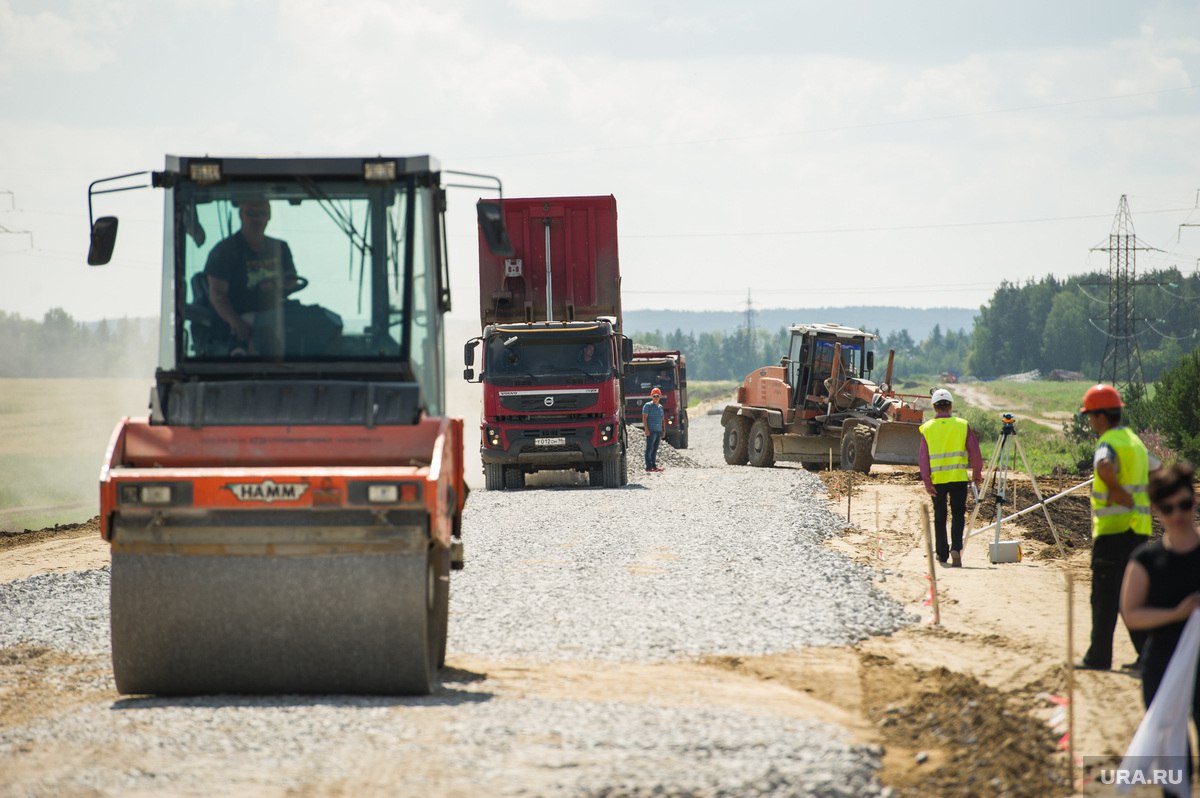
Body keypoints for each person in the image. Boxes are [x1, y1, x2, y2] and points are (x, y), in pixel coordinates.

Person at [1119, 462, 1200, 794]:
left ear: (1194, 499)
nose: (1177, 514)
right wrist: (1177, 613)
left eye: (1184, 504)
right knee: (1172, 753)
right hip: (1163, 664)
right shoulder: (1146, 560)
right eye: (1168, 508)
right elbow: (1132, 614)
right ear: (1156, 511)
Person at [1079, 383, 1153, 671]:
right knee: (1130, 597)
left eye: (1090, 416)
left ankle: (1098, 657)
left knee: (1103, 597)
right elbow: (1157, 469)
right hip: (1138, 530)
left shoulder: (1108, 441)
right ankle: (1147, 656)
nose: (1089, 421)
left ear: (1100, 416)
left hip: (1112, 533)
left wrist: (1116, 490)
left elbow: (1104, 465)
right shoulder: (1134, 441)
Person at [204, 197, 299, 348]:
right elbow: (218, 295)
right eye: (252, 213)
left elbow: (292, 281)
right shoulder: (225, 251)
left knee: (312, 319)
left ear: (269, 216)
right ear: (241, 215)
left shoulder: (280, 247)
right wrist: (237, 323)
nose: (258, 218)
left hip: (276, 320)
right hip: (239, 328)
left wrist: (277, 285)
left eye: (262, 213)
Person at [918, 388, 983, 567]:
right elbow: (975, 454)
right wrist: (977, 474)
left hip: (937, 481)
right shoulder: (962, 425)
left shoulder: (927, 428)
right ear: (951, 406)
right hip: (958, 478)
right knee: (958, 515)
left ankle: (942, 553)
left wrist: (927, 481)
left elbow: (923, 459)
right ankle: (956, 547)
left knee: (940, 517)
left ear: (934, 407)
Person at [642, 387, 665, 473]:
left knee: (655, 449)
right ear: (651, 396)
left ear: (660, 396)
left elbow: (662, 419)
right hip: (651, 431)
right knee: (649, 448)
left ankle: (654, 465)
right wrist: (646, 430)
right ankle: (648, 466)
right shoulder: (648, 406)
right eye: (654, 396)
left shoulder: (660, 407)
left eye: (657, 396)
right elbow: (644, 418)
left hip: (658, 431)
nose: (656, 397)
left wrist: (663, 430)